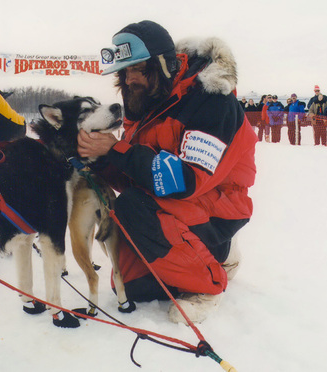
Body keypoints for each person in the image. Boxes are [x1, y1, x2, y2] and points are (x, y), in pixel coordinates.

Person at [78, 20, 256, 323]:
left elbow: (184, 180)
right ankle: (197, 258)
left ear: (164, 65)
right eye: (125, 71)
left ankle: (209, 280)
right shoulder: (147, 100)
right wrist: (97, 159)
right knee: (133, 287)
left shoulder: (211, 101)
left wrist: (115, 150)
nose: (130, 79)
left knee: (133, 206)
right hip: (172, 204)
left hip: (217, 207)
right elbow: (135, 173)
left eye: (139, 69)